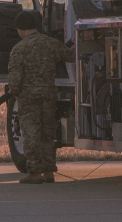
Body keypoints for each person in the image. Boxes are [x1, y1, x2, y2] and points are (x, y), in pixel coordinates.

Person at [7, 10, 74, 184]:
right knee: (48, 133)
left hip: (29, 98)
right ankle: (49, 171)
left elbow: (15, 79)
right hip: (48, 95)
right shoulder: (51, 43)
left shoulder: (19, 49)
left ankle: (35, 172)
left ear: (20, 29)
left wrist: (14, 92)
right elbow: (71, 56)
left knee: (31, 134)